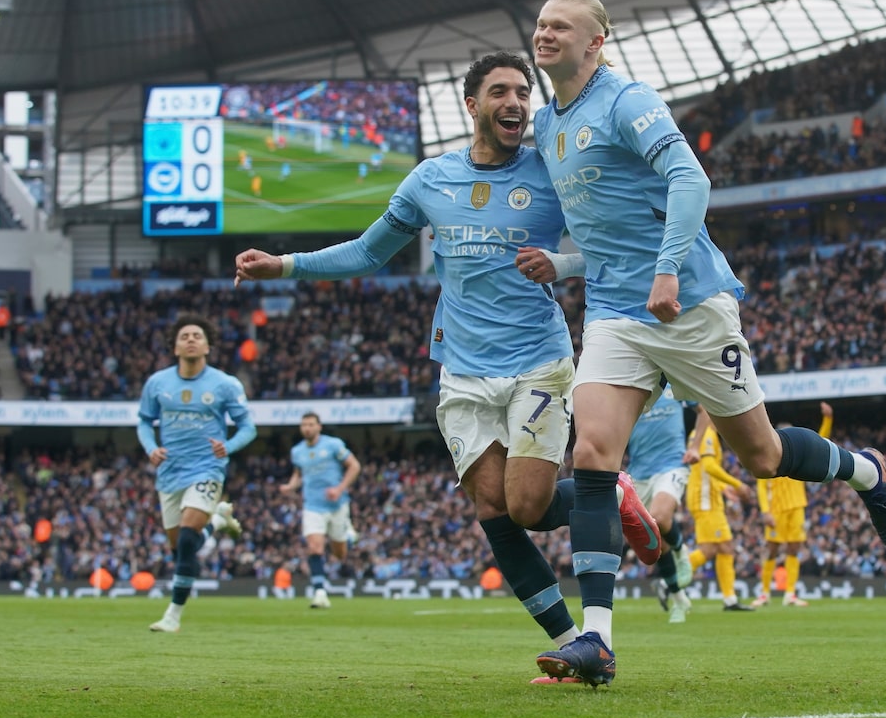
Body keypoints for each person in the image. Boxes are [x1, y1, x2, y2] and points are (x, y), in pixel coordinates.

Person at [233, 52, 658, 682]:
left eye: (522, 91)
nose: (515, 101)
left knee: (527, 504)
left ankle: (607, 493)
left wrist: (562, 266)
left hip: (537, 362)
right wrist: (286, 264)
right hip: (460, 372)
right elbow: (369, 251)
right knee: (494, 509)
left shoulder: (550, 169)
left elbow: (606, 244)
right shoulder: (430, 179)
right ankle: (576, 648)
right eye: (500, 92)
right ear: (472, 105)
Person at [523, 0, 886, 687]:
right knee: (593, 453)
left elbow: (688, 178)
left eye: (562, 26)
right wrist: (567, 264)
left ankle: (865, 471)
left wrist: (668, 270)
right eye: (541, 24)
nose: (545, 34)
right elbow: (610, 233)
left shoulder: (627, 101)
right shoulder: (548, 124)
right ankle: (597, 643)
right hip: (614, 310)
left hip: (688, 303)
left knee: (760, 456)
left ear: (596, 41)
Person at [138, 314, 257, 632]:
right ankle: (217, 521)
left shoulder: (225, 384)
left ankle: (172, 615)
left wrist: (228, 447)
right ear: (175, 347)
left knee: (188, 540)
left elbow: (248, 427)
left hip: (207, 467)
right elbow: (143, 421)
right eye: (184, 336)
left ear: (207, 345)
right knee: (179, 549)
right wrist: (151, 447)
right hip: (169, 472)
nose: (191, 339)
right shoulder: (157, 383)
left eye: (197, 335)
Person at [751, 402, 835, 609]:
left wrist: (828, 419)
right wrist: (765, 511)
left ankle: (790, 593)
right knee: (771, 550)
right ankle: (764, 594)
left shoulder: (800, 453)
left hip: (797, 506)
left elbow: (820, 442)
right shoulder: (770, 455)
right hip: (776, 509)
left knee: (793, 549)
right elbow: (762, 486)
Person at [625, 384, 695, 623]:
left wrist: (695, 446)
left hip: (671, 463)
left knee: (661, 517)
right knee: (655, 540)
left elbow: (706, 410)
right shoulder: (630, 389)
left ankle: (681, 550)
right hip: (638, 473)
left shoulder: (674, 383)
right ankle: (678, 599)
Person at [280, 412, 363, 609]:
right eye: (304, 425)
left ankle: (349, 537)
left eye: (311, 424)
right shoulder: (297, 451)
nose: (307, 428)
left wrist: (339, 489)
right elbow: (299, 473)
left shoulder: (333, 445)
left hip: (337, 506)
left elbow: (354, 466)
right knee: (315, 547)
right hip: (312, 506)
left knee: (340, 554)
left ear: (319, 427)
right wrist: (291, 486)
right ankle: (320, 592)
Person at [685, 405, 756, 612]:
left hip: (709, 499)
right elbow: (708, 467)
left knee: (725, 548)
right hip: (705, 501)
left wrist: (724, 488)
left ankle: (730, 599)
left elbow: (706, 472)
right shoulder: (706, 433)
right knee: (711, 549)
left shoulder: (703, 434)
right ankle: (670, 582)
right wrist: (737, 484)